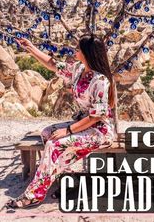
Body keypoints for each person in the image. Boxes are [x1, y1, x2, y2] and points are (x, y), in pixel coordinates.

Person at [6, 33, 118, 209]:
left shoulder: (100, 81)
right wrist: (31, 48)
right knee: (47, 133)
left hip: (99, 130)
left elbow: (96, 116)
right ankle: (69, 179)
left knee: (54, 145)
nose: (75, 50)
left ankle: (33, 195)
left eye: (78, 48)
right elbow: (53, 65)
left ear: (87, 53)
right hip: (84, 124)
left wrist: (69, 130)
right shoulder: (79, 70)